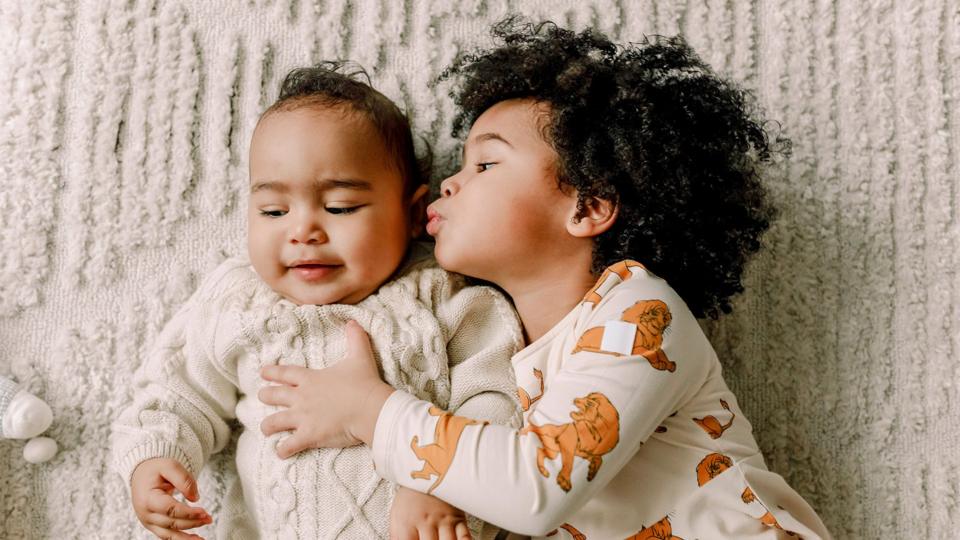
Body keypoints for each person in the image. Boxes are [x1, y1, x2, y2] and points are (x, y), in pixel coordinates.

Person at [257, 20, 833, 539]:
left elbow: (536, 488)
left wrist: (370, 409)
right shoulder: (494, 345)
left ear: (586, 207)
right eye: (457, 166)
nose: (449, 185)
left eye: (484, 164)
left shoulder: (637, 312)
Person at [111, 63, 523, 540]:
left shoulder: (448, 296)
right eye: (273, 211)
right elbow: (176, 393)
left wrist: (439, 476)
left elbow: (499, 399)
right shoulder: (238, 301)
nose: (303, 231)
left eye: (340, 208)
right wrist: (156, 459)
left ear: (413, 214)